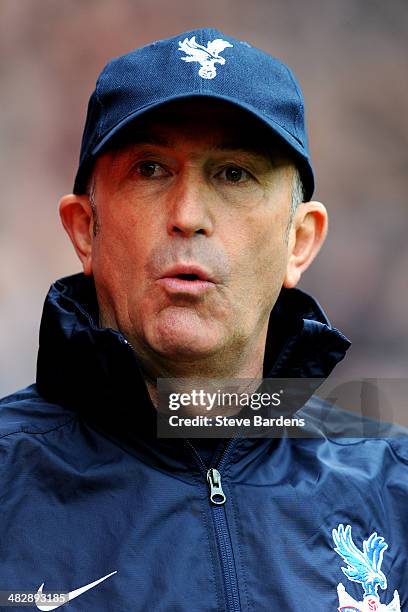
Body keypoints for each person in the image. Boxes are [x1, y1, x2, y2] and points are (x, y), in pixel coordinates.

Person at [0, 28, 405, 611]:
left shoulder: (395, 492)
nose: (188, 215)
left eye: (234, 173)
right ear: (85, 229)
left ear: (300, 241)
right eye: (150, 169)